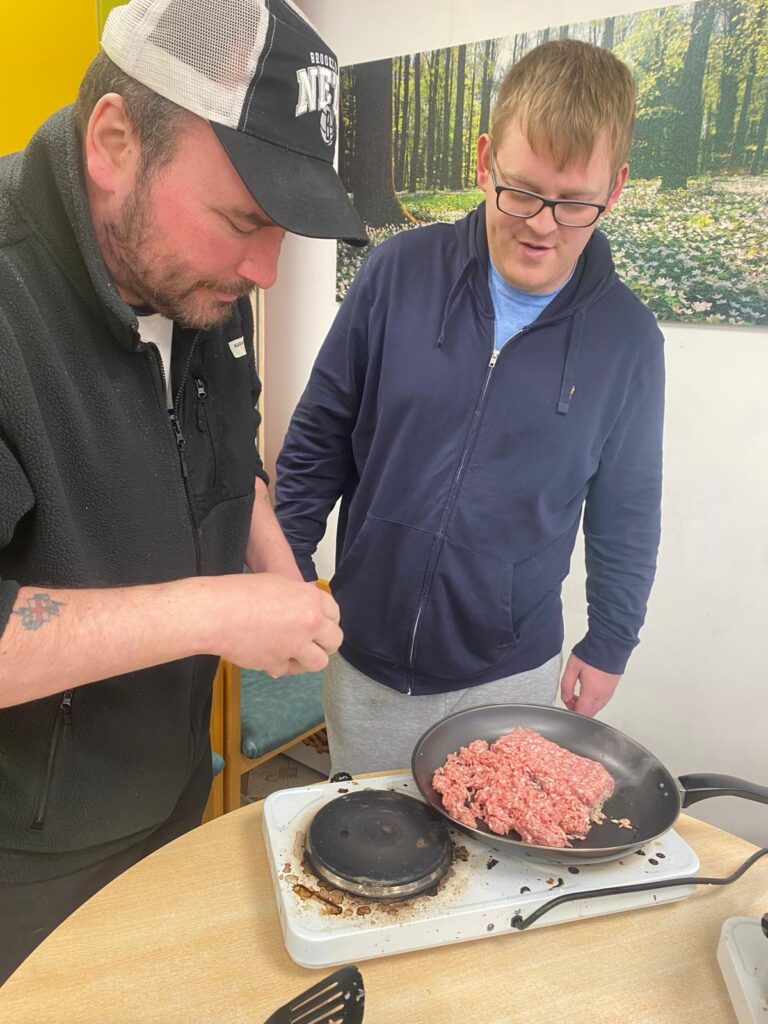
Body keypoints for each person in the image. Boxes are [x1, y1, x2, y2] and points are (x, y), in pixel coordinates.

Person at [0, 0, 367, 983]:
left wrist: (281, 573)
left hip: (176, 793)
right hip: (25, 862)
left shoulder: (196, 288)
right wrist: (214, 611)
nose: (262, 271)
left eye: (283, 230)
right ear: (117, 140)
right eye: (244, 218)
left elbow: (226, 460)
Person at [275, 40, 665, 775]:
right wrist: (286, 560)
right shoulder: (394, 275)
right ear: (485, 161)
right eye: (520, 191)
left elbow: (628, 509)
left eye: (574, 202)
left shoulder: (629, 341)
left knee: (496, 867)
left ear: (614, 189)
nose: (543, 225)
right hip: (367, 658)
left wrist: (611, 639)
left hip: (510, 671)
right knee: (368, 857)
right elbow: (319, 434)